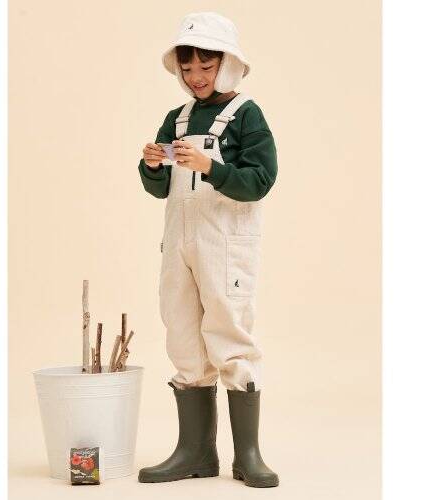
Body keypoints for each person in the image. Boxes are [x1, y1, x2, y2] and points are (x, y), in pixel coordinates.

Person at [137, 12, 279, 488]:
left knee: (229, 333)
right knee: (181, 332)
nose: (196, 77)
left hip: (225, 246)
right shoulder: (176, 118)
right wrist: (153, 165)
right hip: (178, 243)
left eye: (206, 66)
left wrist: (210, 167)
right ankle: (195, 451)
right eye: (187, 68)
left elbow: (259, 180)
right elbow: (159, 189)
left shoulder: (247, 115)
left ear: (228, 63)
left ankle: (248, 455)